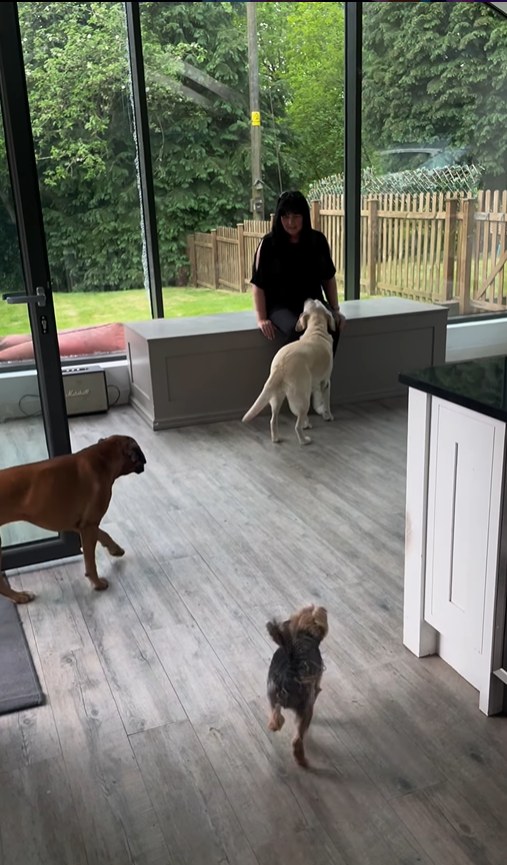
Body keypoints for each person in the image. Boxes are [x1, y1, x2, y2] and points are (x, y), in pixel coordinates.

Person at [251, 190, 345, 355]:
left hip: (313, 302)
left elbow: (328, 278)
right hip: (280, 306)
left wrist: (335, 310)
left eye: (296, 216)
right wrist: (262, 318)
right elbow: (259, 285)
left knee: (333, 326)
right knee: (298, 329)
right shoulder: (268, 245)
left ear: (305, 216)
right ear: (279, 218)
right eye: (285, 217)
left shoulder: (317, 241)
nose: (290, 222)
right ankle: (293, 376)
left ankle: (321, 376)